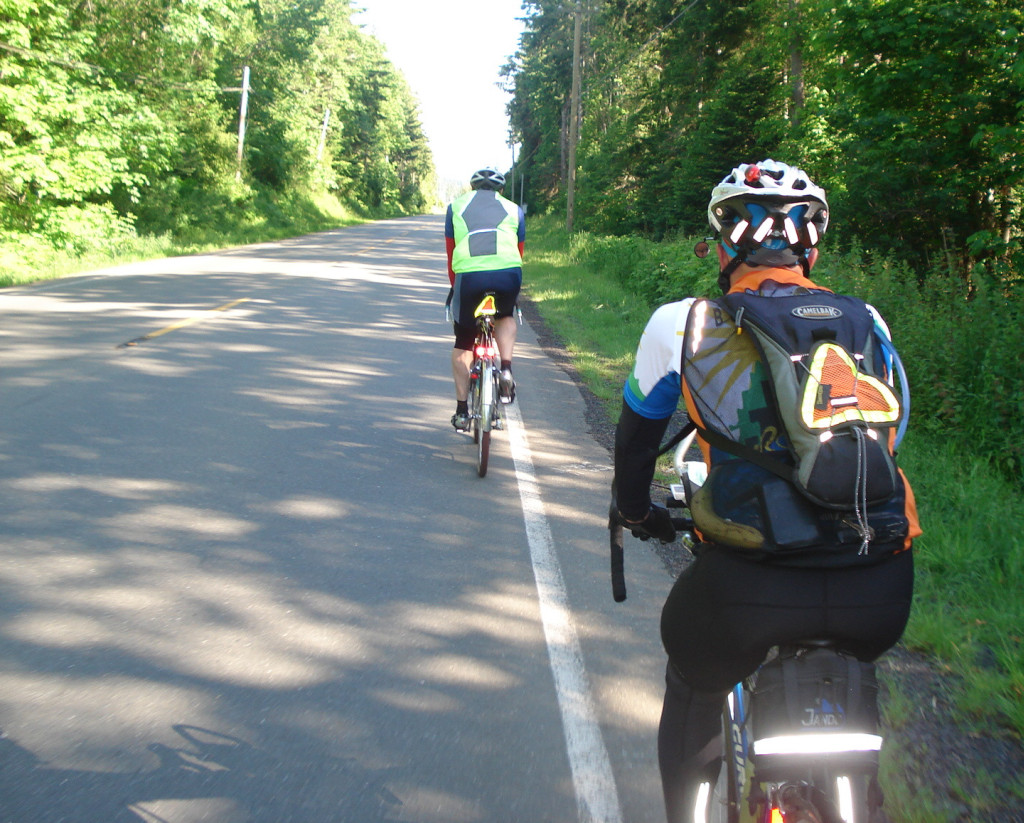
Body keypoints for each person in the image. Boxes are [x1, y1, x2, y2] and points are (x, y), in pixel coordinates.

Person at [612, 160, 921, 823]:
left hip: (746, 591)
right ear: (811, 248)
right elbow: (889, 438)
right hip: (879, 585)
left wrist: (635, 510)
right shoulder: (868, 322)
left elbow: (636, 444)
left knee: (694, 679)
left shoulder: (684, 322)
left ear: (725, 244)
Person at [445, 166, 525, 431]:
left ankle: (462, 412)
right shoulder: (514, 209)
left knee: (464, 341)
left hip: (470, 276)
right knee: (505, 315)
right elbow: (519, 251)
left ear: (472, 188)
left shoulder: (456, 207)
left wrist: (455, 287)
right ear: (500, 189)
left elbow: (451, 252)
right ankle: (506, 369)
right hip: (507, 274)